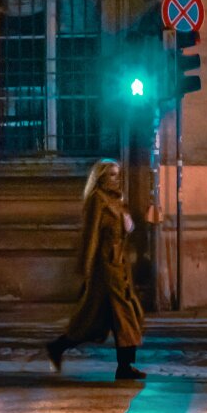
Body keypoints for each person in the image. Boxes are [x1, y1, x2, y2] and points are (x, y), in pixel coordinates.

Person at [46, 159, 146, 381]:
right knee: (123, 314)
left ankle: (59, 346)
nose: (116, 178)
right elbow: (91, 235)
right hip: (106, 267)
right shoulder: (97, 200)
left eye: (117, 174)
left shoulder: (117, 199)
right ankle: (124, 366)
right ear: (101, 177)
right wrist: (86, 266)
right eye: (112, 174)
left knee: (97, 319)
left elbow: (123, 229)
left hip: (119, 264)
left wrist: (127, 224)